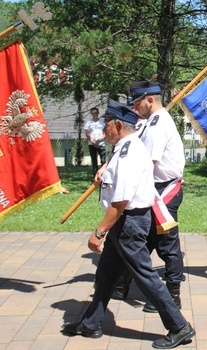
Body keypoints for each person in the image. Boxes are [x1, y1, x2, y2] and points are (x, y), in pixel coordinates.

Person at [61, 99, 195, 349]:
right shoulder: (124, 148)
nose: (104, 131)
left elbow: (120, 202)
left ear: (119, 124)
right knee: (105, 275)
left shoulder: (129, 152)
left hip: (129, 224)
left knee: (145, 276)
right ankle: (91, 323)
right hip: (124, 224)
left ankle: (179, 326)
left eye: (107, 125)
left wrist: (99, 232)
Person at [114, 81, 186, 313]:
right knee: (141, 240)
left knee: (167, 244)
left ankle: (173, 296)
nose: (134, 107)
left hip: (163, 190)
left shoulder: (157, 125)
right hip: (153, 187)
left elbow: (147, 162)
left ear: (150, 100)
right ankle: (122, 283)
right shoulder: (149, 122)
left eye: (137, 102)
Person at [84, 107, 106, 176]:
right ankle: (95, 177)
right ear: (91, 114)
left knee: (103, 161)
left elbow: (105, 133)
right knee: (94, 162)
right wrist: (93, 141)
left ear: (98, 113)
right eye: (93, 113)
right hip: (92, 144)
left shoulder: (102, 122)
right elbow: (87, 133)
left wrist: (98, 140)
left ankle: (103, 176)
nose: (94, 115)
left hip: (101, 144)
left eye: (95, 113)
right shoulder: (89, 122)